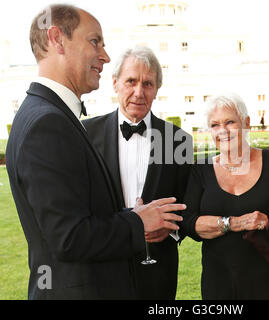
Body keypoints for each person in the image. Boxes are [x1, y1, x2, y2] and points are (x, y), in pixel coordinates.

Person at [5, 5, 184, 300]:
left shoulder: (49, 115)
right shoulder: (47, 123)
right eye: (94, 41)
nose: (105, 55)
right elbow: (69, 237)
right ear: (57, 39)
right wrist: (139, 222)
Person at [83, 46, 193, 299]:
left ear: (156, 90)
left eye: (148, 84)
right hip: (103, 266)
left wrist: (171, 230)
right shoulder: (86, 135)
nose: (139, 92)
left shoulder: (178, 140)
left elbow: (189, 204)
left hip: (158, 270)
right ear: (115, 83)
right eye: (131, 81)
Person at [181, 93, 269, 299]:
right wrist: (235, 223)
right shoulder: (201, 170)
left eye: (230, 122)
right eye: (214, 125)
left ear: (246, 123)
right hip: (218, 284)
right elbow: (188, 222)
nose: (222, 131)